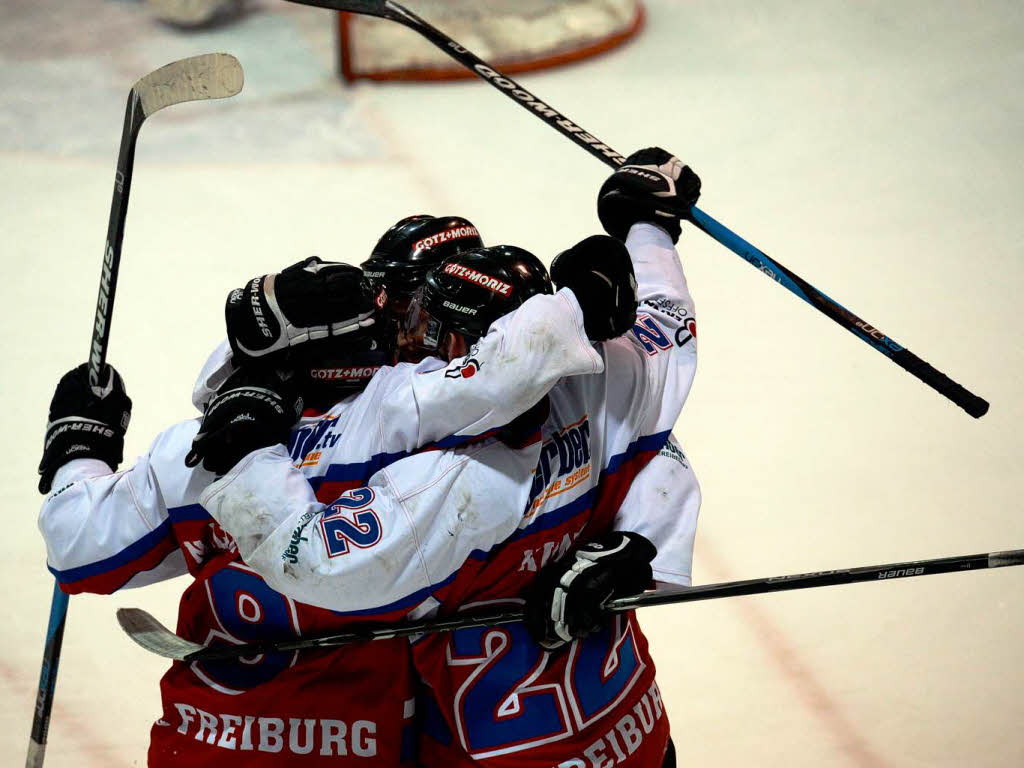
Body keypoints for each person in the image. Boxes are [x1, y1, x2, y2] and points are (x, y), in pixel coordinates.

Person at [200, 148, 702, 767]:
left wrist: (247, 427)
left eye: (422, 315)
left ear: (470, 341)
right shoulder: (602, 380)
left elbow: (312, 560)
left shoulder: (447, 475)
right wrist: (644, 226)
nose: (402, 329)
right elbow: (665, 335)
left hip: (490, 750)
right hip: (632, 736)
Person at [37, 249, 622, 765]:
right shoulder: (404, 426)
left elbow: (76, 551)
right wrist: (579, 300)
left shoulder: (189, 454)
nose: (406, 333)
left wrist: (79, 446)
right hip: (373, 743)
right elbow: (500, 379)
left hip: (207, 742)